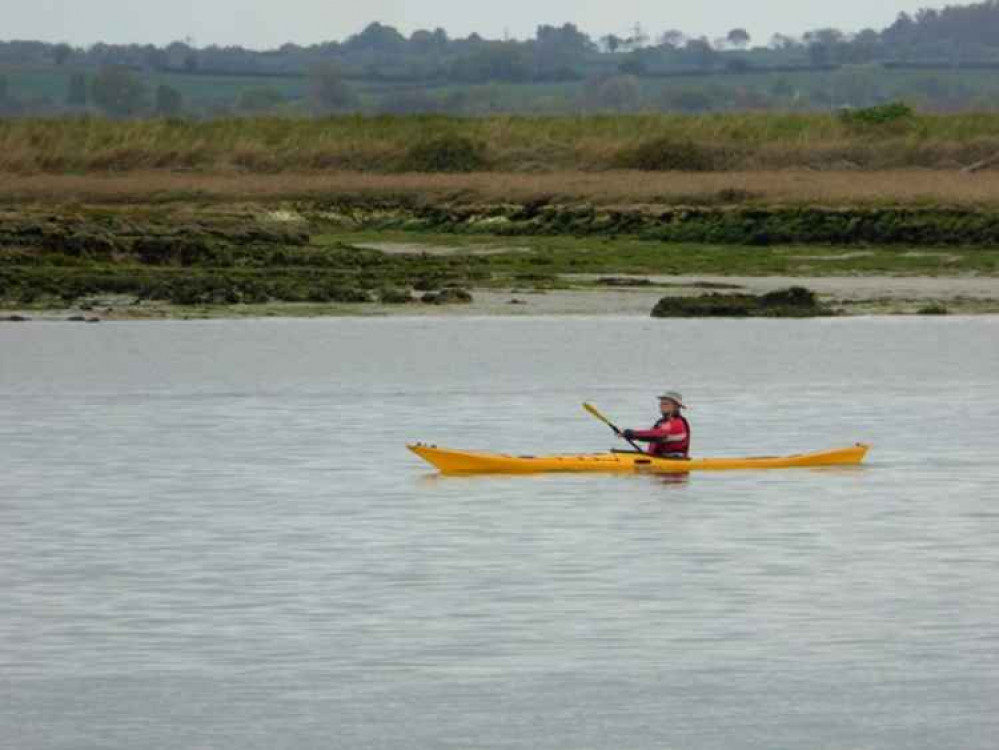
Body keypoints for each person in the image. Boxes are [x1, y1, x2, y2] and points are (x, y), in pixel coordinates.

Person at [621, 391, 691, 458]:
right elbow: (648, 435)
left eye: (665, 403)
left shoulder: (678, 423)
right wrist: (626, 434)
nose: (661, 406)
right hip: (660, 457)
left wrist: (633, 434)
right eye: (661, 403)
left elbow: (657, 434)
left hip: (674, 460)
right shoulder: (661, 423)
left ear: (676, 406)